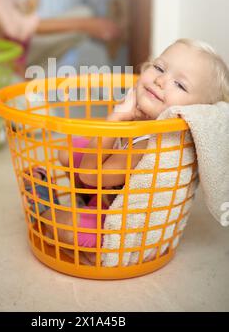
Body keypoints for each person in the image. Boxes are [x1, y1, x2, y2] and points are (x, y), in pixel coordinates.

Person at [39, 38, 229, 264]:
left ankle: (41, 205)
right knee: (70, 151)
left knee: (61, 224)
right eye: (159, 68)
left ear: (196, 111)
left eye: (180, 85)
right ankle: (85, 203)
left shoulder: (150, 145)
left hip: (111, 222)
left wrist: (115, 117)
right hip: (105, 195)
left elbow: (90, 176)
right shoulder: (140, 116)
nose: (160, 80)